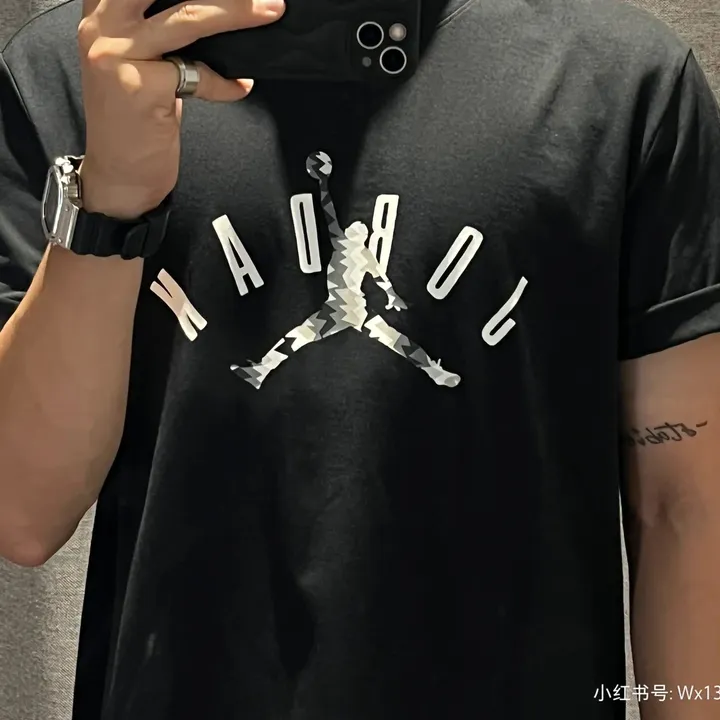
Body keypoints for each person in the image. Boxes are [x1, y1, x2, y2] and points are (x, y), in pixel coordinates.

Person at [0, 0, 719, 716]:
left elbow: (685, 511)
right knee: (323, 340)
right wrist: (108, 203)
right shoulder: (80, 69)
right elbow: (22, 517)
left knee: (381, 342)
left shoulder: (620, 78)